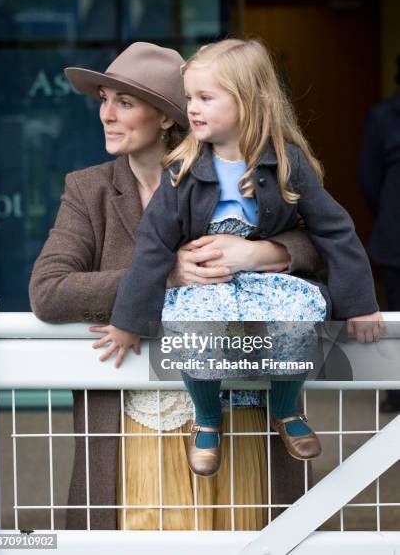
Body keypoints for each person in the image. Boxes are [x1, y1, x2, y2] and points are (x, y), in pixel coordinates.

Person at [29, 41, 326, 531]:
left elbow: (320, 242)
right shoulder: (88, 189)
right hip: (139, 421)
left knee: (250, 536)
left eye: (124, 102)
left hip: (242, 413)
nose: (106, 114)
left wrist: (260, 254)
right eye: (103, 99)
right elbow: (49, 290)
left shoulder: (236, 169)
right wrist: (165, 274)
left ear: (167, 117)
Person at [100, 38, 384, 478]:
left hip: (262, 280)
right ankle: (208, 419)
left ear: (248, 102)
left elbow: (334, 228)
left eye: (206, 98)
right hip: (207, 284)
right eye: (189, 97)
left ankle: (286, 409)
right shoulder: (182, 170)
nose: (191, 108)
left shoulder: (286, 163)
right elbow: (153, 245)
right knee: (194, 326)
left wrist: (361, 305)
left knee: (300, 311)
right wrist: (127, 320)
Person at [359, 54, 400, 413]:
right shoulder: (383, 117)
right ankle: (397, 390)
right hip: (395, 237)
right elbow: (369, 181)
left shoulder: (384, 117)